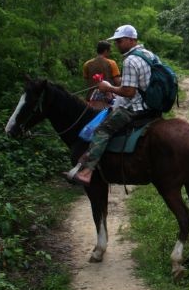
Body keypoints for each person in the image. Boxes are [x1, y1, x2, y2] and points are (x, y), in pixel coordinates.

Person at [67, 24, 160, 186]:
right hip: (152, 105)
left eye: (120, 41)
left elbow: (129, 92)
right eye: (116, 42)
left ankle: (87, 172)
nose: (117, 45)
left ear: (131, 40)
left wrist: (108, 88)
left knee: (102, 129)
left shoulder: (130, 60)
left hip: (136, 108)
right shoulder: (150, 55)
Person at [82, 40, 121, 109]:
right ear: (106, 51)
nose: (110, 53)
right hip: (108, 100)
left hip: (90, 99)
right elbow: (117, 82)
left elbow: (87, 82)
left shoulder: (87, 64)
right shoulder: (111, 63)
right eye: (110, 51)